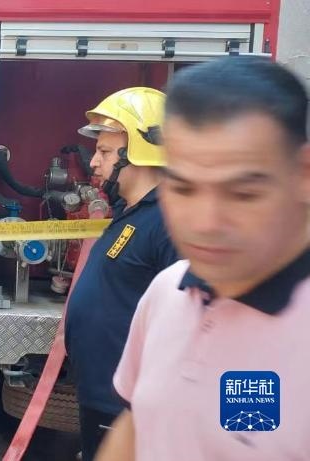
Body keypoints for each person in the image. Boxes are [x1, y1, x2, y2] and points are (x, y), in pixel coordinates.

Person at [97, 57, 310, 461]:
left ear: (304, 174)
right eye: (183, 189)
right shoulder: (167, 291)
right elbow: (137, 424)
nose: (206, 223)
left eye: (243, 194)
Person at [63, 87, 179, 461]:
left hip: (128, 409)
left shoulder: (166, 223)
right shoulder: (130, 214)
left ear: (139, 153)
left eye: (105, 152)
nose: (94, 163)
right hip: (103, 398)